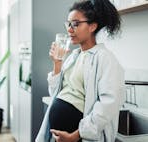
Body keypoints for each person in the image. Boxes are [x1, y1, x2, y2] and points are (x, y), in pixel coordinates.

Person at [36, 0, 125, 142]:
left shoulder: (105, 58)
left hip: (79, 136)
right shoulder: (74, 56)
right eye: (68, 24)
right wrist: (57, 63)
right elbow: (55, 94)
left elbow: (108, 105)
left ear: (92, 26)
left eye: (76, 24)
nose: (69, 29)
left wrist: (76, 135)